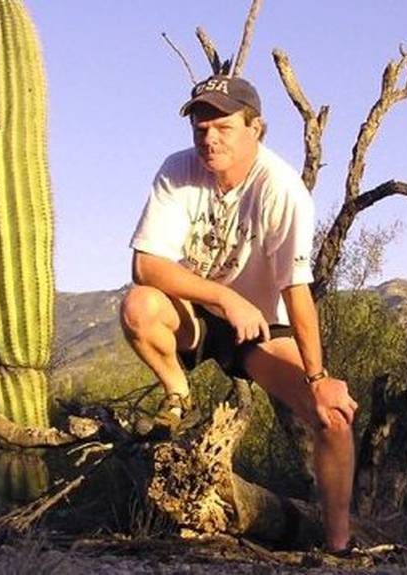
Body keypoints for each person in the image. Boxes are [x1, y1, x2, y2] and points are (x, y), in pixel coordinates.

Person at [120, 74, 358, 553]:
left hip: (261, 326)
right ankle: (178, 396)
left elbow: (296, 290)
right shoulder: (177, 170)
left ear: (257, 128)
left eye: (223, 127)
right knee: (138, 306)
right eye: (201, 128)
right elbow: (145, 264)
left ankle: (339, 545)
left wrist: (319, 376)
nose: (209, 138)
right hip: (195, 312)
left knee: (332, 417)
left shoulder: (282, 188)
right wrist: (224, 298)